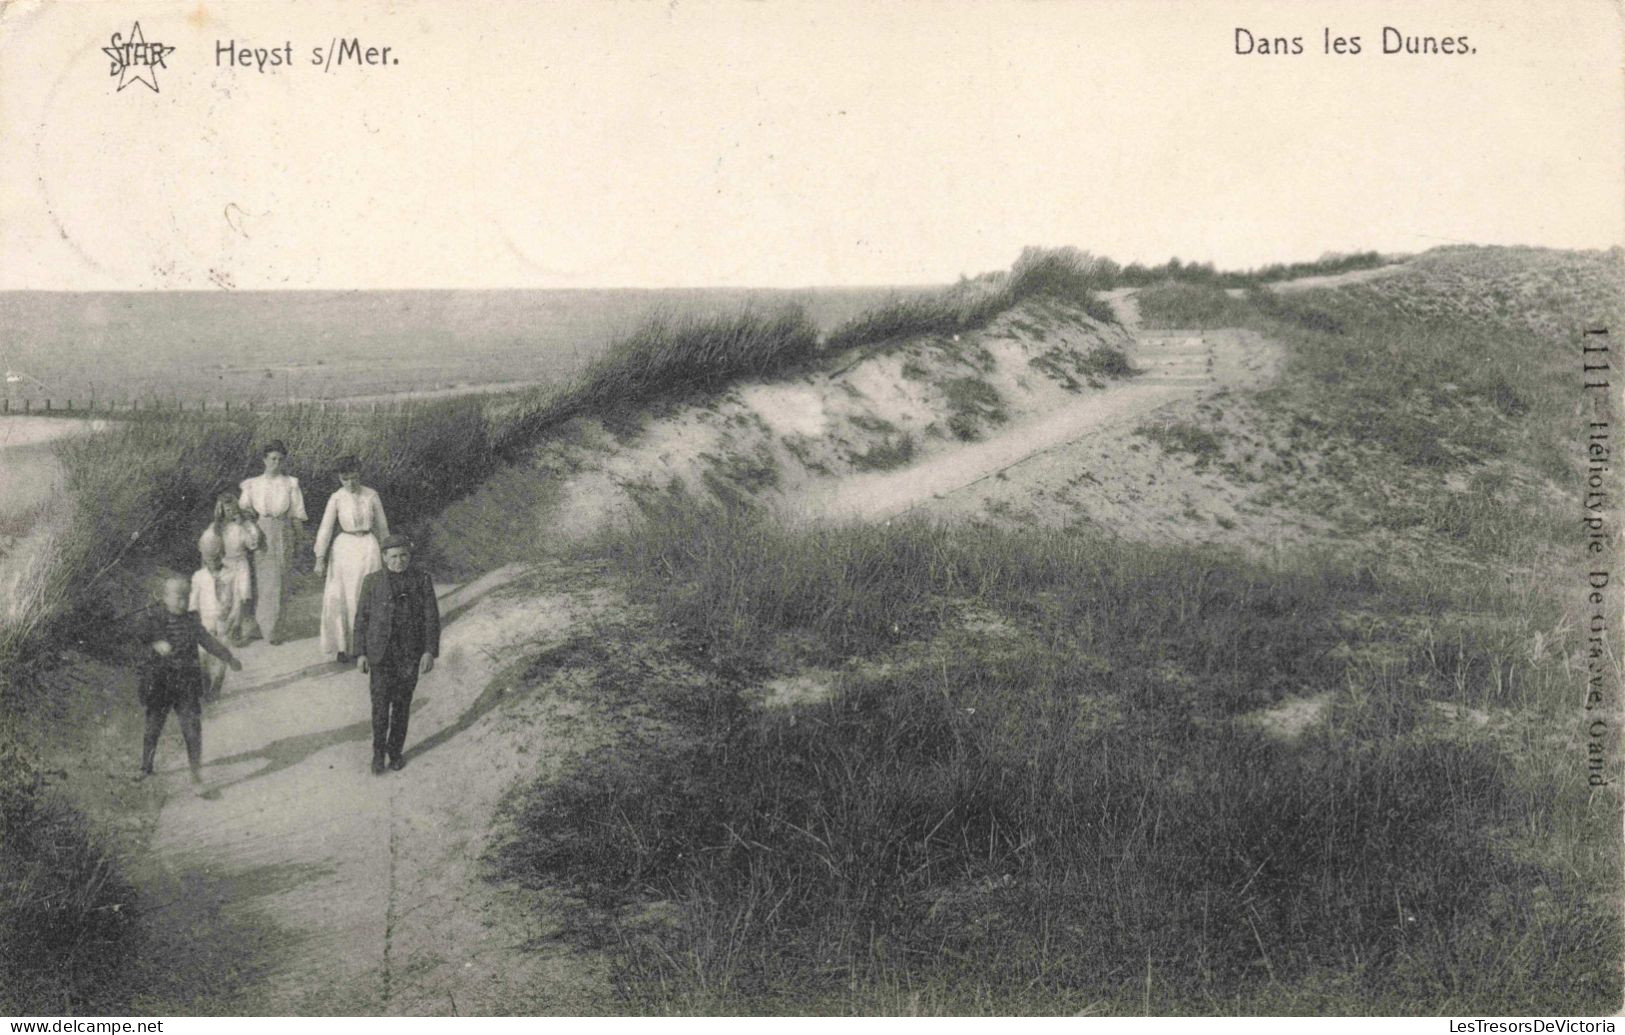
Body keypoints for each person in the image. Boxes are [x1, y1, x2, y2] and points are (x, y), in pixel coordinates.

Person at [138, 575, 241, 789]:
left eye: (186, 598)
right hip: (160, 683)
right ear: (165, 597)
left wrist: (228, 657)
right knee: (153, 726)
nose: (183, 603)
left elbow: (208, 641)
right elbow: (141, 633)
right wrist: (157, 641)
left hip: (186, 683)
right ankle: (146, 767)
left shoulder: (191, 620)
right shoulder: (154, 617)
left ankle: (196, 775)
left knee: (192, 728)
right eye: (178, 597)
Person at [353, 534, 439, 775]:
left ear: (410, 557)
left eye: (404, 556)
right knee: (380, 708)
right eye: (393, 557)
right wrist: (360, 653)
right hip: (380, 656)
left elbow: (431, 618)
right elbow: (361, 619)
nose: (399, 561)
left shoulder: (421, 580)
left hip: (408, 656)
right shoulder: (372, 582)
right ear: (383, 557)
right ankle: (378, 755)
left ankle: (395, 752)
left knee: (401, 707)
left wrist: (429, 651)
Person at [313, 456, 389, 663]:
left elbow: (382, 527)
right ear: (339, 478)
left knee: (367, 595)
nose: (351, 483)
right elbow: (325, 528)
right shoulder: (336, 498)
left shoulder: (371, 495)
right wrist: (320, 557)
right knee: (343, 596)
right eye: (346, 479)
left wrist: (388, 553)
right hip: (344, 550)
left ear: (360, 475)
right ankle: (343, 645)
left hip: (368, 548)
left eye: (354, 478)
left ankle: (367, 645)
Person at [239, 441, 307, 645]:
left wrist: (300, 540)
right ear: (264, 460)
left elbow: (296, 513)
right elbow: (243, 510)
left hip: (283, 530)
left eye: (280, 459)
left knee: (280, 579)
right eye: (272, 459)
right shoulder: (252, 483)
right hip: (259, 530)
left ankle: (274, 629)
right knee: (261, 579)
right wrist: (250, 528)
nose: (276, 463)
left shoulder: (290, 484)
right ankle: (257, 626)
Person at [198, 491, 261, 646]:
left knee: (241, 598)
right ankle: (221, 630)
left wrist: (245, 526)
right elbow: (206, 546)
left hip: (241, 564)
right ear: (221, 511)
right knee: (226, 599)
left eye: (233, 509)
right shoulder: (216, 528)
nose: (231, 512)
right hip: (225, 564)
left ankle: (236, 630)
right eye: (227, 510)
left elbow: (253, 543)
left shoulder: (242, 526)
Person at [188, 538, 236, 698]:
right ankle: (205, 682)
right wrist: (193, 618)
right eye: (208, 558)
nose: (212, 562)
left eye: (216, 557)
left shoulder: (230, 574)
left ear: (221, 555)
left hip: (223, 618)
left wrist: (233, 616)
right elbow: (193, 600)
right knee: (203, 655)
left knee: (222, 652)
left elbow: (236, 598)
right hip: (205, 619)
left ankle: (217, 686)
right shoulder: (199, 576)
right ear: (203, 558)